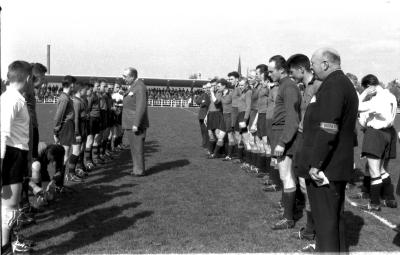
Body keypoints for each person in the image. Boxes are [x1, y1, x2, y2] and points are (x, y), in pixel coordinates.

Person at [298, 48, 358, 252]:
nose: (312, 69)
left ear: (325, 64)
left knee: (325, 224)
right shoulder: (340, 84)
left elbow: (328, 128)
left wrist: (316, 164)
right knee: (333, 220)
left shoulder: (333, 86)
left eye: (313, 64)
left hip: (327, 166)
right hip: (334, 164)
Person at [287, 54, 322, 247]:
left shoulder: (319, 86)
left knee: (311, 185)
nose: (291, 76)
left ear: (302, 69)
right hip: (303, 137)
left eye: (292, 72)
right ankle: (311, 229)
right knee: (303, 183)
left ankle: (313, 230)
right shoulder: (306, 87)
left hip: (312, 140)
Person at [1, 61, 32, 254]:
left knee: (10, 204)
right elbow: (2, 131)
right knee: (10, 204)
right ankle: (5, 245)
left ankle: (10, 241)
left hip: (15, 153)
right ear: (27, 78)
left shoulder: (13, 97)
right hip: (11, 154)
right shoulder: (12, 99)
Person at [267, 55, 301, 230]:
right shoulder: (284, 85)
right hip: (280, 133)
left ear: (281, 70)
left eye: (271, 71)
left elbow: (293, 119)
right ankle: (287, 212)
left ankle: (288, 218)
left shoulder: (289, 87)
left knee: (286, 176)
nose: (269, 74)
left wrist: (282, 142)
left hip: (284, 136)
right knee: (285, 175)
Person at [357, 74, 398, 210]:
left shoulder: (377, 98)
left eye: (366, 88)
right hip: (389, 132)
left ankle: (374, 203)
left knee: (374, 171)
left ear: (369, 87)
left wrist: (364, 94)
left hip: (376, 133)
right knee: (381, 170)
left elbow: (357, 106)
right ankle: (390, 198)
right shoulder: (390, 95)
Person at [53, 75, 83, 183]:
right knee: (64, 156)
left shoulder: (67, 97)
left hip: (70, 126)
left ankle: (68, 176)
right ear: (71, 85)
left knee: (72, 151)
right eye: (74, 84)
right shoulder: (64, 98)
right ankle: (58, 184)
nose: (75, 86)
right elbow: (58, 116)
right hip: (66, 127)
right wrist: (55, 131)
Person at [122, 67, 149, 176]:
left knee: (137, 148)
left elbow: (141, 107)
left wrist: (136, 124)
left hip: (135, 123)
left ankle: (139, 171)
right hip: (130, 122)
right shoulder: (135, 86)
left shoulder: (139, 87)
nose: (123, 78)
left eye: (125, 76)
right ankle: (136, 169)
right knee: (134, 148)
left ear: (132, 76)